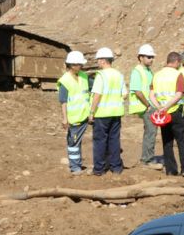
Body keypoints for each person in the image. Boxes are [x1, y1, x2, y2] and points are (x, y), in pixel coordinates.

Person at [149, 52, 184, 179]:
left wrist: (159, 107)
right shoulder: (178, 74)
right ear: (176, 62)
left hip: (163, 114)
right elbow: (179, 94)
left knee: (167, 141)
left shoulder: (157, 75)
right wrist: (167, 106)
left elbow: (151, 95)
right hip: (175, 111)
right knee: (182, 141)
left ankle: (171, 170)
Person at [88, 47, 127, 176]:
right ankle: (116, 168)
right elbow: (124, 94)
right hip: (116, 113)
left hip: (102, 113)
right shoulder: (119, 75)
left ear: (103, 60)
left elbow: (97, 95)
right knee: (114, 140)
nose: (98, 62)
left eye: (98, 59)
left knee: (100, 141)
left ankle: (99, 169)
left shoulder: (101, 75)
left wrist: (91, 112)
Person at [128, 44, 162, 170]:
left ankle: (147, 158)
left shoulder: (148, 71)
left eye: (152, 57)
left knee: (151, 133)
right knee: (151, 133)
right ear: (140, 57)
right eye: (149, 57)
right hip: (146, 107)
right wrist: (147, 105)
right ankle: (147, 160)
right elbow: (137, 91)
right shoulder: (137, 71)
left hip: (150, 106)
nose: (151, 59)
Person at [56, 51, 90, 176]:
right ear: (72, 65)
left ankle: (77, 164)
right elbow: (63, 101)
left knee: (77, 142)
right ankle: (75, 167)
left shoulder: (83, 76)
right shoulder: (65, 81)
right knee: (74, 143)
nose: (82, 66)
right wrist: (65, 118)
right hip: (74, 117)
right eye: (80, 64)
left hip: (85, 115)